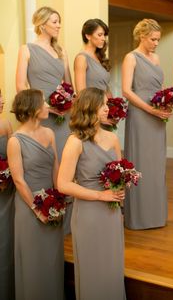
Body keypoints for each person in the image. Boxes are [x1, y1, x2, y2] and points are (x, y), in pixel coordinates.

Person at [57, 87, 126, 300]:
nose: (107, 109)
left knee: (112, 266)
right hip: (88, 215)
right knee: (92, 268)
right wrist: (100, 196)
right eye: (102, 105)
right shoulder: (75, 141)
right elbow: (63, 184)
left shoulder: (113, 139)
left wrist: (119, 193)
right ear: (89, 107)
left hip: (111, 214)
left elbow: (119, 174)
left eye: (107, 104)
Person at [15, 6, 73, 234]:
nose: (59, 25)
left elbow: (69, 86)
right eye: (55, 21)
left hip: (63, 118)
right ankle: (44, 210)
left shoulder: (62, 52)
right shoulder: (26, 49)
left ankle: (64, 218)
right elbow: (21, 86)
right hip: (39, 117)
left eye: (59, 21)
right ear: (42, 24)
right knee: (43, 165)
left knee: (64, 165)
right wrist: (46, 107)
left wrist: (66, 103)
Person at [7, 89, 64, 300]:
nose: (48, 106)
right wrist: (37, 209)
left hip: (51, 203)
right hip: (28, 207)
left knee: (52, 258)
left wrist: (59, 199)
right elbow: (19, 180)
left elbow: (56, 167)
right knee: (33, 260)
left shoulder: (50, 133)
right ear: (33, 108)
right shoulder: (16, 141)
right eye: (44, 103)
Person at [122, 19, 171, 230]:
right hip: (141, 115)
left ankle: (156, 216)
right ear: (142, 36)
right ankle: (139, 218)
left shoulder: (156, 58)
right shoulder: (131, 58)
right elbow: (126, 91)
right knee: (141, 163)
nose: (156, 43)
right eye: (153, 39)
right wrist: (150, 109)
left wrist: (167, 101)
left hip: (157, 115)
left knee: (156, 166)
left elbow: (159, 87)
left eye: (158, 40)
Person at [0, 89, 14, 300]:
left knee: (6, 239)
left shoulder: (6, 123)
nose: (2, 100)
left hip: (7, 192)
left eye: (1, 96)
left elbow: (13, 153)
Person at [74, 18, 111, 95]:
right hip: (91, 105)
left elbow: (106, 88)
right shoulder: (82, 58)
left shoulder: (100, 58)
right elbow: (81, 93)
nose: (103, 38)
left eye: (104, 35)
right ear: (88, 36)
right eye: (100, 35)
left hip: (105, 105)